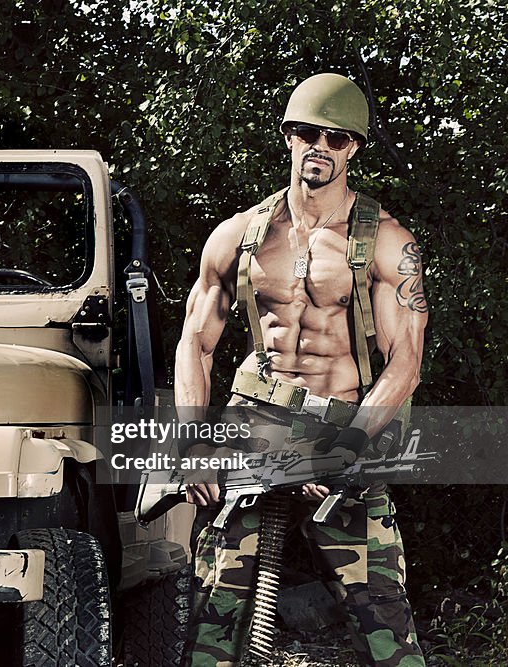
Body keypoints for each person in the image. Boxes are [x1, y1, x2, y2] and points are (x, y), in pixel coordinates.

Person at [174, 73, 428, 666]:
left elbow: (406, 364)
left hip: (340, 423)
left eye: (335, 138)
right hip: (252, 422)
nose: (319, 146)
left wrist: (348, 448)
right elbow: (195, 341)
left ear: (354, 147)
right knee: (216, 611)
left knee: (381, 612)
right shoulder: (238, 236)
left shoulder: (389, 242)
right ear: (288, 137)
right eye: (305, 133)